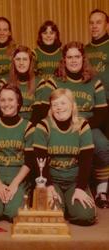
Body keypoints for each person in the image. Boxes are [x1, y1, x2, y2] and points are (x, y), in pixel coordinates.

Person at [40, 41, 109, 208]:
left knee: (102, 144)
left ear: (83, 59)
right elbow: (43, 110)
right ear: (64, 60)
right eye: (69, 57)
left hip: (87, 126)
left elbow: (102, 112)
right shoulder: (54, 81)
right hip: (59, 126)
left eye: (77, 56)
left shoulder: (94, 82)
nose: (73, 60)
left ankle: (101, 190)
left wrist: (80, 125)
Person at [33, 88, 96, 226]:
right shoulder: (43, 126)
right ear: (51, 108)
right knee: (51, 216)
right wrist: (48, 186)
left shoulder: (82, 125)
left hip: (74, 181)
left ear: (72, 105)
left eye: (63, 103)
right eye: (55, 104)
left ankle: (69, 206)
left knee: (85, 216)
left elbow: (87, 161)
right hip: (53, 181)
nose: (59, 108)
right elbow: (39, 162)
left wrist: (80, 188)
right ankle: (63, 207)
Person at [0, 84, 34, 222]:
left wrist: (15, 184)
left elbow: (29, 162)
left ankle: (13, 201)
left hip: (18, 174)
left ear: (18, 102)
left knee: (14, 214)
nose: (6, 104)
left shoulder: (28, 127)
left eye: (10, 100)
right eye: (3, 100)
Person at [1, 45, 46, 124]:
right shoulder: (4, 81)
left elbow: (39, 112)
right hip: (11, 125)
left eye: (25, 59)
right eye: (18, 59)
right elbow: (1, 110)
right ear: (13, 62)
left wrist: (28, 129)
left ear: (30, 62)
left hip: (32, 125)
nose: (21, 63)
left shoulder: (39, 82)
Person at [85, 9, 109, 138]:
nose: (94, 26)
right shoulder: (84, 49)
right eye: (91, 23)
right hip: (91, 105)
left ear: (107, 25)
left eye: (98, 22)